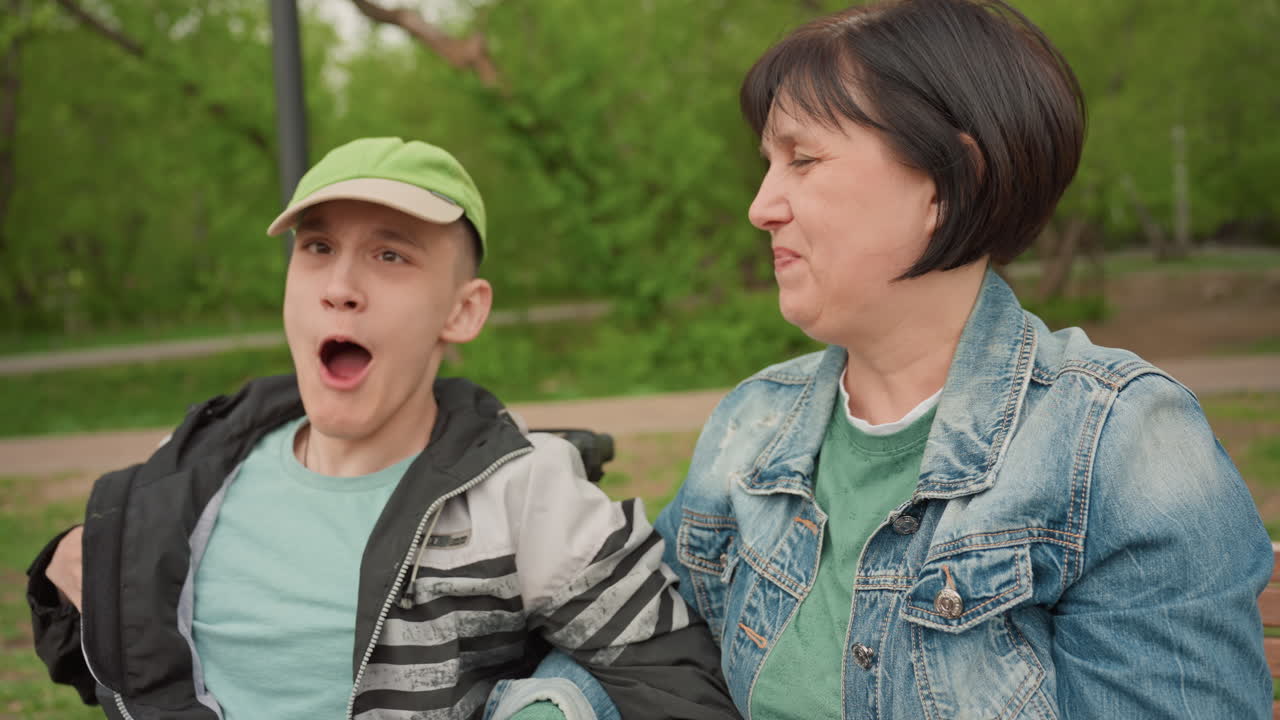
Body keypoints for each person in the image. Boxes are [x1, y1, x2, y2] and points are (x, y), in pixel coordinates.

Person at [543, 0, 1275, 717]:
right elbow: (642, 637)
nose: (761, 205)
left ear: (949, 181)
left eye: (803, 158)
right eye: (769, 164)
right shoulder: (755, 422)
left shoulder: (1120, 445)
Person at [26, 137, 738, 720]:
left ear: (462, 311)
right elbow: (116, 671)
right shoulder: (193, 464)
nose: (340, 285)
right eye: (317, 248)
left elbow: (674, 681)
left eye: (390, 255)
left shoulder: (522, 494)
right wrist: (64, 578)